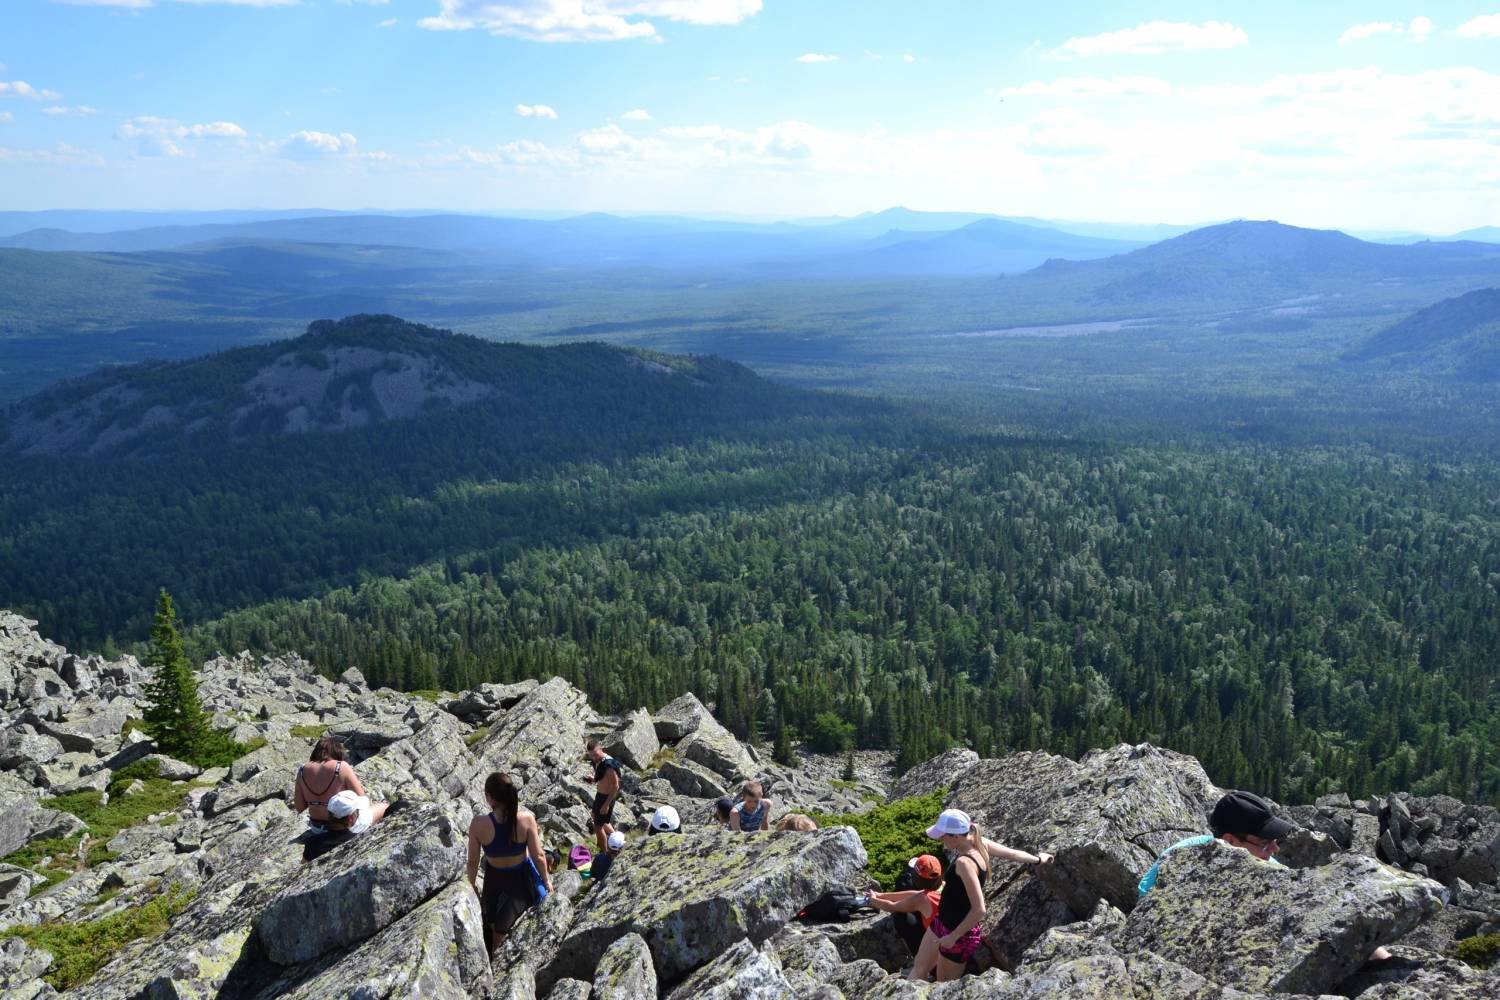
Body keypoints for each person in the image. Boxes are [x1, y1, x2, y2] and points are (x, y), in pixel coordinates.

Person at [1137, 789, 1292, 897]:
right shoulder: (1175, 860)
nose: (1275, 849)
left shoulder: (1270, 866)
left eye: (1274, 840)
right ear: (1229, 841)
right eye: (1264, 843)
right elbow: (1145, 897)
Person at [466, 772, 552, 954]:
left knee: (492, 921)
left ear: (489, 797)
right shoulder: (526, 819)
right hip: (521, 878)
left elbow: (473, 862)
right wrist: (546, 881)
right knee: (512, 922)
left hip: (494, 878)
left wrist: (471, 885)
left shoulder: (478, 824)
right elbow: (539, 855)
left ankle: (491, 956)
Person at [910, 808, 989, 983]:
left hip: (958, 935)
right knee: (919, 967)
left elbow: (979, 910)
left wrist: (952, 937)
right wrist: (1037, 859)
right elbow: (1012, 853)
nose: (940, 840)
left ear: (956, 836)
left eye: (942, 836)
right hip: (942, 922)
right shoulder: (979, 845)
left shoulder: (964, 863)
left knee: (942, 986)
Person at [293, 736, 389, 834]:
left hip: (317, 829)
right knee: (384, 806)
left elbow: (300, 807)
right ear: (337, 751)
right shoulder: (341, 766)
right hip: (344, 828)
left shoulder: (302, 770)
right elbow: (363, 800)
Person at [869, 854, 944, 957]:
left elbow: (892, 907)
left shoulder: (923, 899)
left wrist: (873, 900)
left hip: (941, 949)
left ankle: (919, 958)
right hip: (950, 939)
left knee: (901, 917)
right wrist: (880, 895)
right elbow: (912, 894)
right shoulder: (943, 886)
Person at [583, 740, 622, 853]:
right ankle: (615, 838)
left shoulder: (609, 765)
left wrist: (606, 805)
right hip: (601, 795)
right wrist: (594, 779)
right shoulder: (599, 761)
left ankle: (605, 852)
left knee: (598, 827)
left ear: (601, 748)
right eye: (591, 755)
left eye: (595, 753)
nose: (594, 757)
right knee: (595, 816)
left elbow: (615, 786)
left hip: (606, 798)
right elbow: (603, 777)